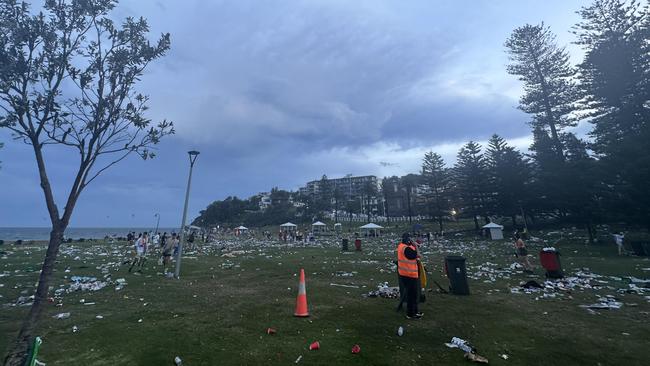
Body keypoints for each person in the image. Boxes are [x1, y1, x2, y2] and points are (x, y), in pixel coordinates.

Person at [397, 233, 423, 319]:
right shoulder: (406, 249)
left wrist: (414, 245)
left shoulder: (401, 246)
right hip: (409, 275)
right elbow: (418, 255)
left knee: (413, 294)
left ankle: (415, 311)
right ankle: (410, 314)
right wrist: (416, 246)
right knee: (411, 295)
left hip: (405, 274)